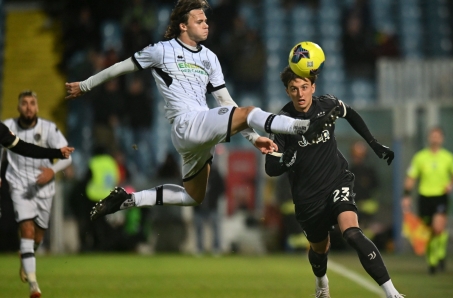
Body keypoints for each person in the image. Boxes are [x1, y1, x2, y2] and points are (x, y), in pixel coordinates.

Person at [65, 0, 337, 221]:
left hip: (200, 132)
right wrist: (85, 85)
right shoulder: (161, 50)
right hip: (186, 124)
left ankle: (128, 198)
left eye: (206, 20)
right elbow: (120, 66)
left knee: (192, 196)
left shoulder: (209, 57)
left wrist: (254, 138)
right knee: (250, 109)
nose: (206, 24)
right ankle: (302, 126)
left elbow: (226, 103)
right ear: (183, 26)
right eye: (200, 20)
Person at [265, 66, 402, 298]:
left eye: (304, 87)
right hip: (308, 197)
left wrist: (373, 143)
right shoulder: (282, 122)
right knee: (320, 250)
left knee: (352, 233)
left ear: (313, 88)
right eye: (294, 89)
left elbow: (350, 114)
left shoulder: (327, 105)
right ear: (287, 91)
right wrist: (286, 161)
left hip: (337, 182)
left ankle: (392, 293)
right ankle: (321, 283)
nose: (300, 94)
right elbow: (271, 167)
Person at [3, 90, 73, 298]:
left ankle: (26, 256)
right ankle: (34, 286)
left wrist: (52, 170)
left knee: (39, 235)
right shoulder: (7, 126)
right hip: (18, 184)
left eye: (32, 103)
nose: (28, 107)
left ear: (37, 107)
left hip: (43, 188)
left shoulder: (49, 128)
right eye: (24, 103)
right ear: (18, 107)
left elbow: (67, 156)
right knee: (27, 230)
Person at [401, 126, 453, 274]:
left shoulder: (448, 157)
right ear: (429, 138)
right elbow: (411, 177)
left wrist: (451, 184)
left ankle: (438, 255)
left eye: (438, 136)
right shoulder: (420, 157)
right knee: (427, 231)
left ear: (442, 139)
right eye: (432, 136)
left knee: (438, 228)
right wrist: (406, 195)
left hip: (440, 196)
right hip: (424, 196)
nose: (435, 138)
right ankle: (431, 260)